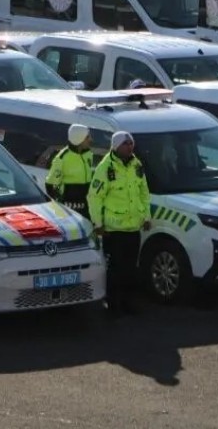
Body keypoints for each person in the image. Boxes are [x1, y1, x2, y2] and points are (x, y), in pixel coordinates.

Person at [87, 132, 151, 317]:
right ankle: (112, 304)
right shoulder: (105, 168)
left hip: (133, 228)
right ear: (116, 146)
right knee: (115, 269)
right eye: (126, 144)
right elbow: (94, 197)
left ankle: (128, 302)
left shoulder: (136, 164)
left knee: (131, 268)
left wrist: (146, 217)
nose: (130, 147)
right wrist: (98, 223)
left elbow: (144, 192)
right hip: (114, 230)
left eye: (131, 143)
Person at [46, 124, 95, 220]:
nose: (91, 140)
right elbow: (50, 184)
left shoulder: (88, 154)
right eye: (87, 137)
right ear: (79, 138)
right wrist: (59, 205)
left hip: (86, 205)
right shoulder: (62, 158)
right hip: (69, 207)